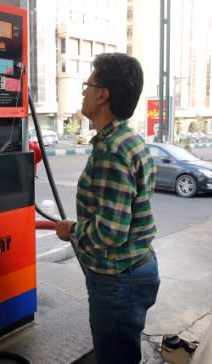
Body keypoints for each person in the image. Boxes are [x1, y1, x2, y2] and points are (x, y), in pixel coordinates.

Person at [55, 53, 160, 364]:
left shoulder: (112, 151)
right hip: (134, 268)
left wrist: (72, 230)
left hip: (119, 280)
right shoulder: (129, 139)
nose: (84, 91)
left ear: (103, 95)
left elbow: (111, 233)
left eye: (88, 84)